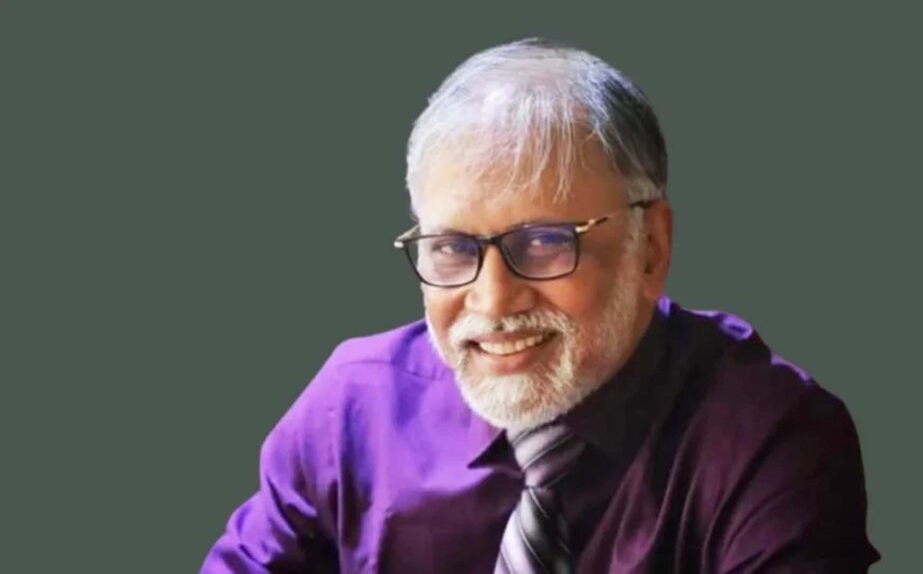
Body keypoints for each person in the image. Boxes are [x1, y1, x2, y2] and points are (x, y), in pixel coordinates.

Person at [201, 38, 880, 573]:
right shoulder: (351, 411)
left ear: (650, 247)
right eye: (453, 248)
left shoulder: (768, 439)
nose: (493, 299)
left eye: (547, 242)